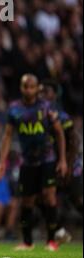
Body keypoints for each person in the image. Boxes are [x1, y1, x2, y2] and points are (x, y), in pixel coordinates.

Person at [0, 74, 68, 251]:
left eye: (32, 87)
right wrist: (1, 161)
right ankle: (27, 242)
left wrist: (63, 160)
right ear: (21, 88)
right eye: (25, 87)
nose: (28, 90)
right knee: (26, 201)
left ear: (37, 89)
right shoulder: (14, 109)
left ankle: (51, 241)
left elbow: (59, 133)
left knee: (49, 196)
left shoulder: (46, 108)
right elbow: (7, 136)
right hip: (27, 161)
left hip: (47, 159)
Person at [40, 79, 82, 243]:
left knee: (78, 201)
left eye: (47, 92)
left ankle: (58, 232)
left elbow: (75, 141)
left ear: (55, 95)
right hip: (50, 165)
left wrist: (68, 165)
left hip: (70, 166)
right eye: (42, 91)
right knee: (43, 198)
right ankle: (58, 232)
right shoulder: (39, 114)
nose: (43, 94)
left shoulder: (62, 116)